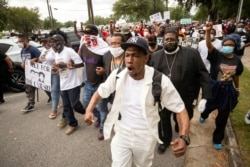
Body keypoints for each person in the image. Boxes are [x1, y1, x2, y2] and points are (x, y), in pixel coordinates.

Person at [84, 36, 190, 166]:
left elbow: (180, 110)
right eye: (127, 55)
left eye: (135, 56)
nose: (129, 60)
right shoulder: (118, 75)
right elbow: (100, 92)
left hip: (145, 136)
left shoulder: (160, 81)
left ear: (146, 58)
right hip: (122, 133)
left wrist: (183, 137)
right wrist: (89, 109)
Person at [148, 30, 212, 154]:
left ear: (178, 40)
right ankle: (165, 141)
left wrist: (206, 96)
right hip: (163, 97)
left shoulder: (192, 54)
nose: (169, 41)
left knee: (183, 118)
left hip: (185, 96)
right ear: (163, 40)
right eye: (166, 39)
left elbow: (203, 74)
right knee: (163, 120)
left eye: (172, 39)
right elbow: (150, 76)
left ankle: (180, 130)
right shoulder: (156, 56)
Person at [199, 22, 243, 150]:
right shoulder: (216, 56)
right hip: (214, 87)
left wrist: (237, 88)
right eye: (225, 44)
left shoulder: (237, 61)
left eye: (231, 45)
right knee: (209, 106)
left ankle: (217, 138)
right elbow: (209, 45)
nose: (227, 46)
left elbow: (236, 76)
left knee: (223, 115)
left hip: (227, 90)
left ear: (235, 47)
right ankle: (204, 115)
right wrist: (208, 31)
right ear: (222, 45)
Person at [78, 24, 110, 139]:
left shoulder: (105, 49)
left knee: (102, 107)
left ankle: (103, 127)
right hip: (88, 82)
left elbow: (111, 68)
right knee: (87, 104)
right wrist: (70, 64)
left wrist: (104, 71)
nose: (87, 36)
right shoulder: (83, 47)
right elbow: (80, 62)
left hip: (101, 84)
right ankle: (100, 118)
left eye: (90, 34)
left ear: (96, 35)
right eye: (86, 34)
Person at [51, 34, 85, 135]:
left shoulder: (69, 51)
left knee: (75, 105)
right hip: (63, 83)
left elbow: (81, 63)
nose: (53, 45)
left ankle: (88, 112)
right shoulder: (56, 53)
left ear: (62, 43)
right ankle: (73, 124)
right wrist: (57, 69)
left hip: (73, 83)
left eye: (55, 42)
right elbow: (61, 69)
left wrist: (65, 65)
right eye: (52, 43)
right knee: (66, 107)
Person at [38, 35, 60, 119]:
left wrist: (56, 64)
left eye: (45, 41)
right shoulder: (44, 50)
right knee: (52, 89)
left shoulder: (54, 50)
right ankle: (59, 101)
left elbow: (60, 59)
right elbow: (41, 60)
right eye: (42, 42)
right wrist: (34, 61)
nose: (43, 43)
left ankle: (54, 110)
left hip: (54, 73)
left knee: (54, 90)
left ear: (50, 41)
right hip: (45, 74)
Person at [18, 34, 41, 113]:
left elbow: (41, 58)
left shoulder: (33, 49)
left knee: (45, 87)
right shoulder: (22, 50)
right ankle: (31, 104)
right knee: (29, 88)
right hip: (28, 74)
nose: (19, 43)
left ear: (26, 41)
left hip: (37, 73)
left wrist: (35, 59)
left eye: (20, 41)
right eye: (18, 41)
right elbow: (24, 60)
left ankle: (52, 97)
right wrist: (22, 64)